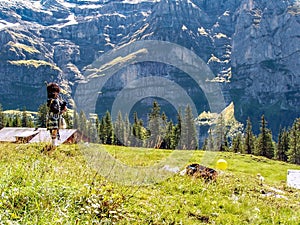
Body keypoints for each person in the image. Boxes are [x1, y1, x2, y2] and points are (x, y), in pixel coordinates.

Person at [46, 82, 67, 147]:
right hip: (53, 117)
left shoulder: (55, 100)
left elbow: (61, 107)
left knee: (55, 130)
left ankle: (54, 142)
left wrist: (63, 106)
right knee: (54, 130)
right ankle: (54, 143)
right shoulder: (52, 100)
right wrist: (61, 111)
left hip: (56, 117)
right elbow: (55, 109)